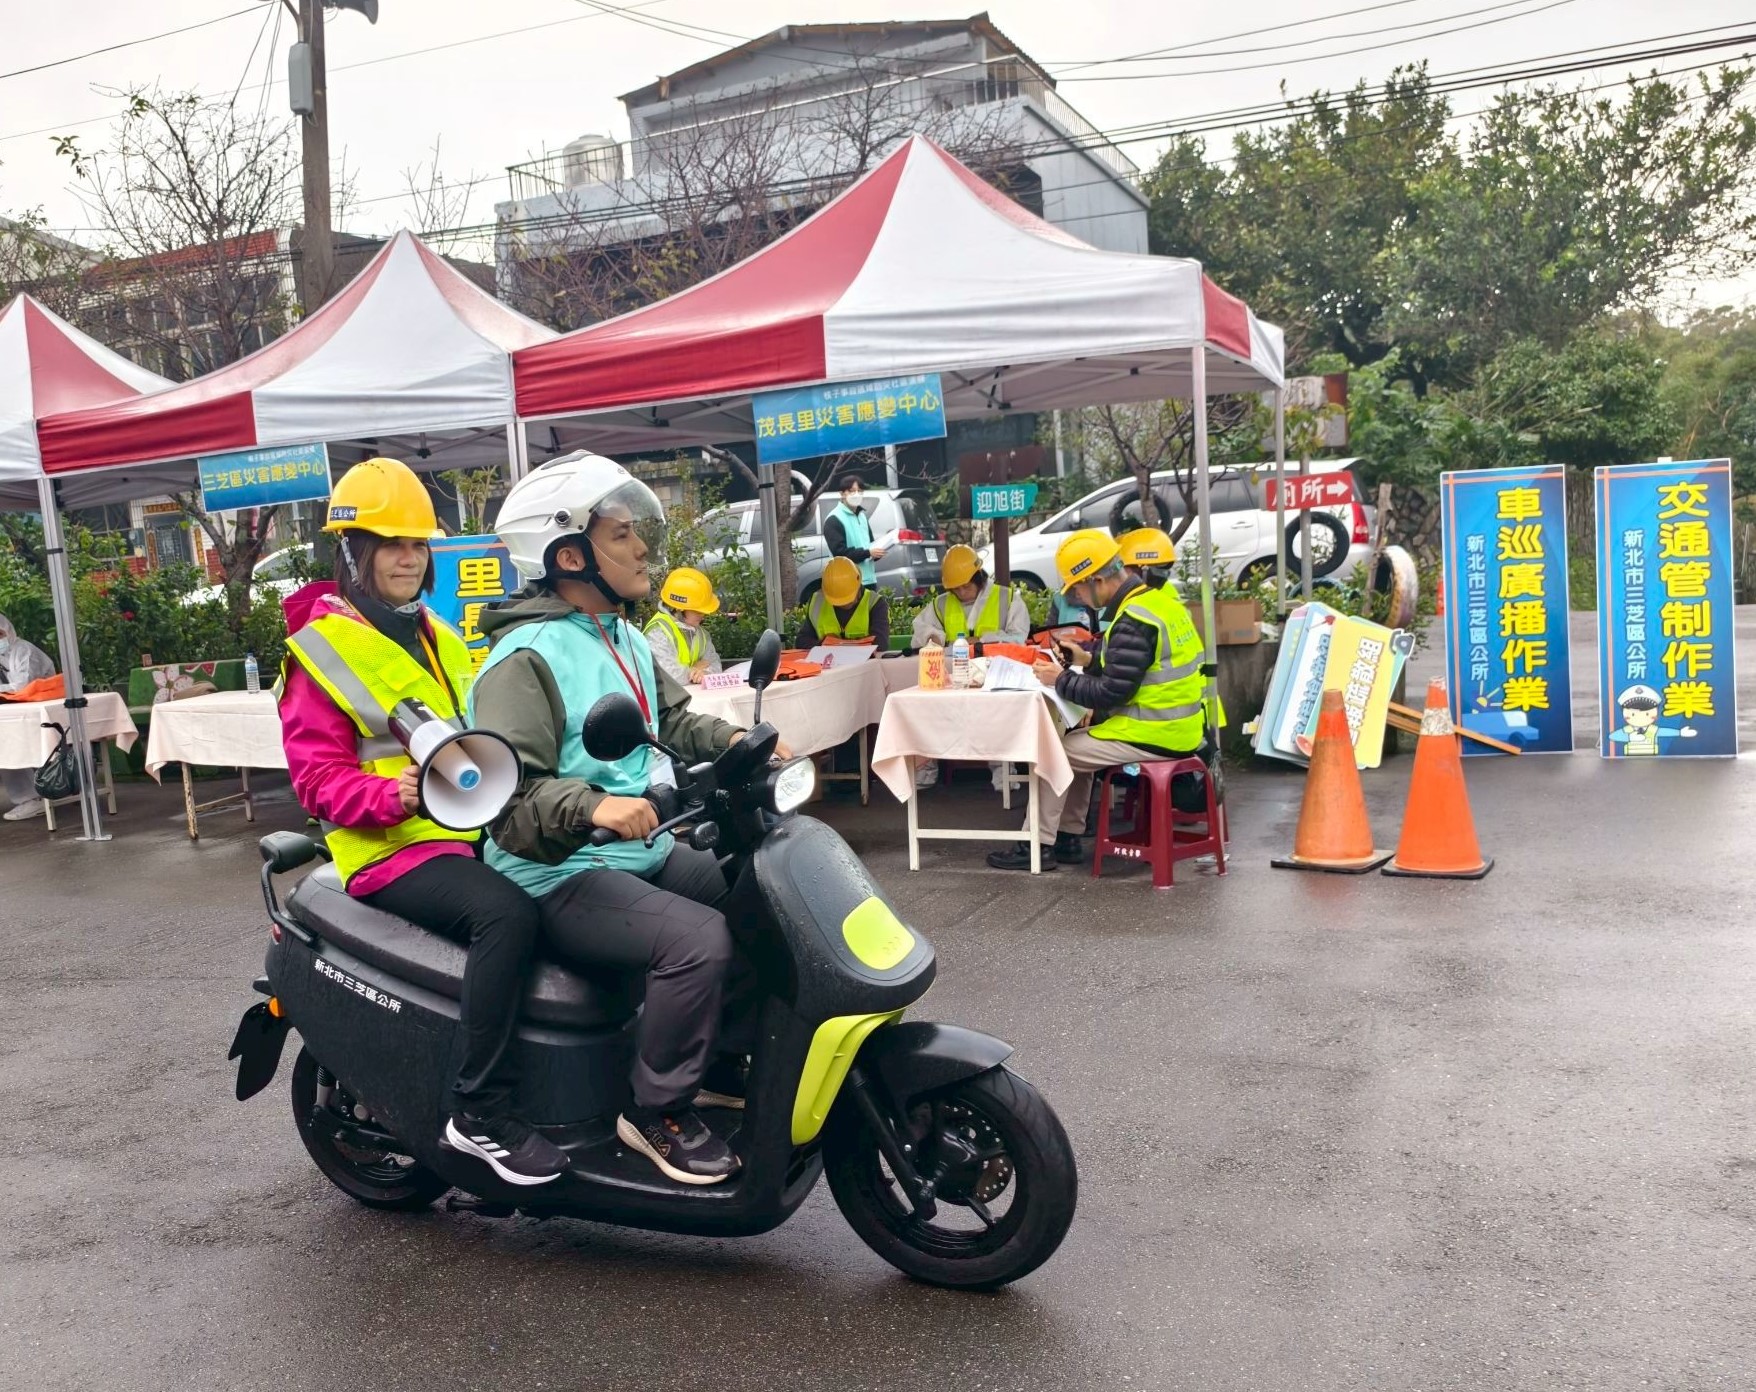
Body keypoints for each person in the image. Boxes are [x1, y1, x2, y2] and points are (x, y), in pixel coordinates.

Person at [472, 451, 790, 1187]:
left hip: (634, 850)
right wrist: (594, 806)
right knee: (696, 941)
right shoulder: (524, 660)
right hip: (557, 869)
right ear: (569, 555)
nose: (642, 547)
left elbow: (671, 721)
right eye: (621, 535)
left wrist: (738, 742)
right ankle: (656, 1111)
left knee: (761, 896)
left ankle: (715, 1062)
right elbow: (508, 802)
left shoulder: (621, 636)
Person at [279, 457, 566, 1186]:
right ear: (354, 552)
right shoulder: (319, 653)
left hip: (467, 833)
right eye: (390, 544)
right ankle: (479, 1111)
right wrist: (395, 797)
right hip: (389, 851)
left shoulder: (437, 633)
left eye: (416, 544)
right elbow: (315, 781)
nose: (408, 558)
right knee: (507, 917)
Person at [987, 529, 1209, 871]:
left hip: (1154, 732)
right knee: (1078, 744)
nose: (1076, 596)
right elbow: (1130, 664)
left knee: (1055, 751)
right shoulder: (1161, 605)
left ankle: (1036, 845)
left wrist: (1060, 679)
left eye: (1077, 588)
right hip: (1182, 728)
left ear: (1096, 580)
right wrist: (1087, 658)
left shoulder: (1133, 618)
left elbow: (1111, 692)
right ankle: (1068, 837)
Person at [911, 544, 1030, 648]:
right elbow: (920, 629)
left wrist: (982, 640)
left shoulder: (1008, 599)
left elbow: (1019, 638)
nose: (962, 593)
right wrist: (931, 637)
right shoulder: (940, 604)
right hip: (953, 664)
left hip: (996, 664)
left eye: (966, 586)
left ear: (979, 578)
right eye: (956, 588)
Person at [0, 614, 58, 821]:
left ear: (8, 631)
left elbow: (23, 686)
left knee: (8, 743)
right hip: (16, 713)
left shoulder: (24, 651)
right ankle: (27, 797)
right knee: (5, 742)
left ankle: (31, 798)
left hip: (44, 713)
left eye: (0, 634)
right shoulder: (3, 655)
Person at [644, 567, 723, 685]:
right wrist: (696, 670)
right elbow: (668, 676)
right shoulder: (657, 632)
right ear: (678, 609)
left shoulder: (701, 634)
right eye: (698, 611)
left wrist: (705, 673)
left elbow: (716, 665)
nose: (703, 615)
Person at [798, 556, 890, 649]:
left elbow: (880, 643)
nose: (843, 604)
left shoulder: (874, 603)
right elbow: (801, 641)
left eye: (848, 599)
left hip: (863, 659)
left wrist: (835, 644)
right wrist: (823, 643)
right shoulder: (818, 601)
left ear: (858, 584)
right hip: (827, 658)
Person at [822, 474, 886, 585]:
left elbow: (870, 545)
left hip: (869, 579)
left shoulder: (862, 516)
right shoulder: (834, 519)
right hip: (848, 582)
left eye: (860, 491)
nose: (856, 494)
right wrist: (868, 553)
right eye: (851, 491)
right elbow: (840, 554)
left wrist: (876, 554)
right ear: (842, 494)